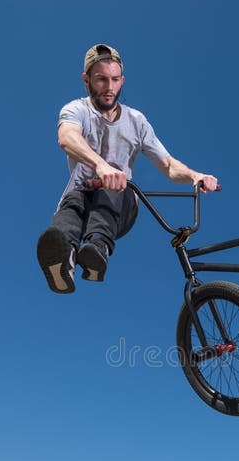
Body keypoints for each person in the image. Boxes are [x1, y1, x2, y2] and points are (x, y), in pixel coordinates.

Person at [37, 43, 219, 293]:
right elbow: (67, 137)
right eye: (101, 79)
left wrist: (195, 176)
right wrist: (100, 166)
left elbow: (167, 165)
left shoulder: (137, 121)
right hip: (82, 197)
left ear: (122, 80)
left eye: (114, 80)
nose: (109, 88)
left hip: (120, 205)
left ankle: (97, 250)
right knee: (73, 203)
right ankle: (62, 260)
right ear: (86, 79)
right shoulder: (76, 109)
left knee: (113, 185)